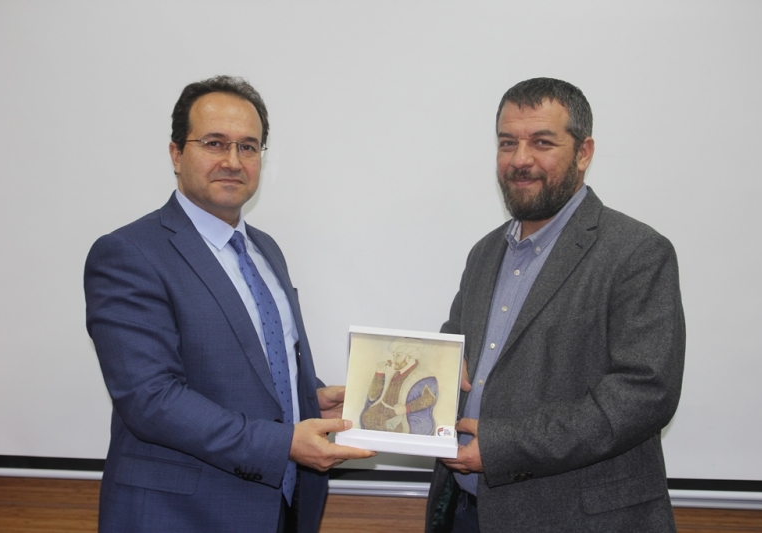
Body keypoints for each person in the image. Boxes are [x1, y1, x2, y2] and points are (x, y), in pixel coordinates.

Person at [84, 75, 374, 533]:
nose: (233, 161)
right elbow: (151, 400)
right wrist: (283, 442)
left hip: (283, 508)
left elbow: (258, 365)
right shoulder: (129, 254)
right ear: (176, 154)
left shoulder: (266, 250)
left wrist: (307, 400)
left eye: (248, 147)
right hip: (181, 516)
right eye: (215, 143)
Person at [425, 78, 685, 533]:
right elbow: (455, 356)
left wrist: (505, 446)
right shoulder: (485, 253)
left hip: (575, 519)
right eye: (508, 142)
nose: (520, 159)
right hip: (466, 511)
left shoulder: (637, 252)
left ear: (584, 152)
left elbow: (644, 394)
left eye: (542, 142)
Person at [360, 338, 438, 434]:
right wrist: (379, 374)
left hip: (408, 417)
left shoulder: (424, 376)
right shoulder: (393, 373)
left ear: (409, 357)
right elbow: (373, 396)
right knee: (367, 417)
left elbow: (429, 399)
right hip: (385, 413)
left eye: (398, 355)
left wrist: (406, 408)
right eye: (394, 355)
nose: (394, 359)